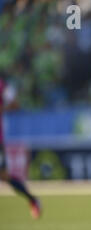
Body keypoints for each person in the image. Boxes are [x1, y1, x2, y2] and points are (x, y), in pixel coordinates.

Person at [0, 77, 42, 219]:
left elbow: (15, 104)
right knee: (4, 176)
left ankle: (32, 199)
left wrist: (2, 108)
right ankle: (33, 199)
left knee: (4, 176)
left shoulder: (1, 84)